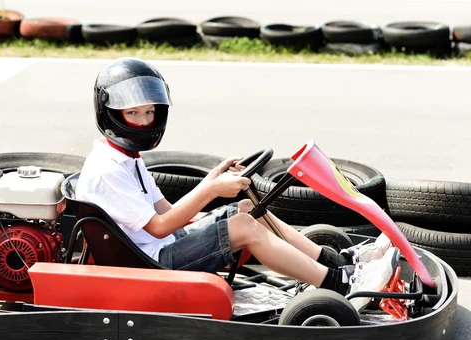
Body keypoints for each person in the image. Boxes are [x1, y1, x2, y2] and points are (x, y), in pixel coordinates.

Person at [76, 57, 397, 312]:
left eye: (149, 112)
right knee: (243, 226)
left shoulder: (124, 157)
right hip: (153, 262)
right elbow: (159, 228)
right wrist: (211, 191)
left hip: (157, 247)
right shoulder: (108, 170)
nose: (145, 122)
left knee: (246, 209)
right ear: (111, 113)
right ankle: (341, 284)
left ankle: (338, 262)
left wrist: (210, 179)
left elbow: (168, 212)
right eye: (134, 113)